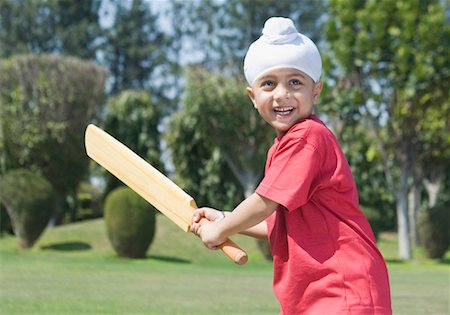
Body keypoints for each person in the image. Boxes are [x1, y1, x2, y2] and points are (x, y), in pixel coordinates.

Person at [190, 17, 392, 315]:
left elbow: (266, 202)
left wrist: (219, 231)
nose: (282, 94)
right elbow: (277, 222)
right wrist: (224, 217)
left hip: (341, 288)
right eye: (268, 83)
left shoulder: (307, 136)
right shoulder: (284, 145)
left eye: (295, 82)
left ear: (316, 90)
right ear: (252, 96)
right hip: (317, 293)